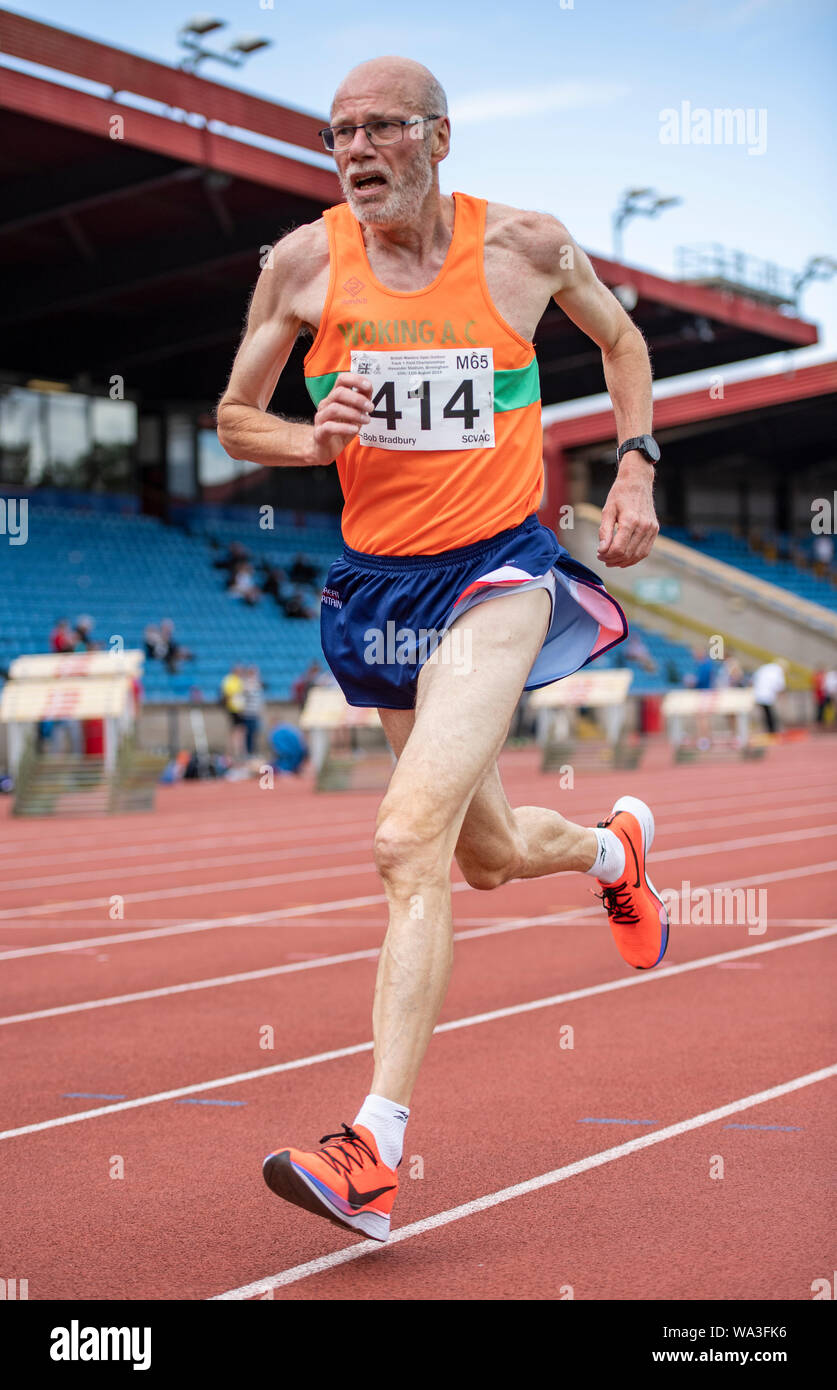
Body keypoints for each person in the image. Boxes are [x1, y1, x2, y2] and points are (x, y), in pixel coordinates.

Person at [217, 56, 666, 1246]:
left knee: (403, 837)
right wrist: (308, 441)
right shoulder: (304, 264)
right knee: (487, 853)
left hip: (497, 572)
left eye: (379, 130)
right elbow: (232, 420)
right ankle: (615, 851)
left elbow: (622, 344)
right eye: (337, 136)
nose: (356, 151)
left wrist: (634, 463)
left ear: (440, 138)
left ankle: (375, 1147)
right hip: (379, 588)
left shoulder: (524, 247)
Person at [751, 657, 787, 734]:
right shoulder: (778, 670)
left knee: (765, 713)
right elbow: (780, 686)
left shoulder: (765, 668)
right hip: (766, 694)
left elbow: (754, 678)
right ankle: (772, 730)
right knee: (769, 714)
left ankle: (769, 729)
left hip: (758, 693)